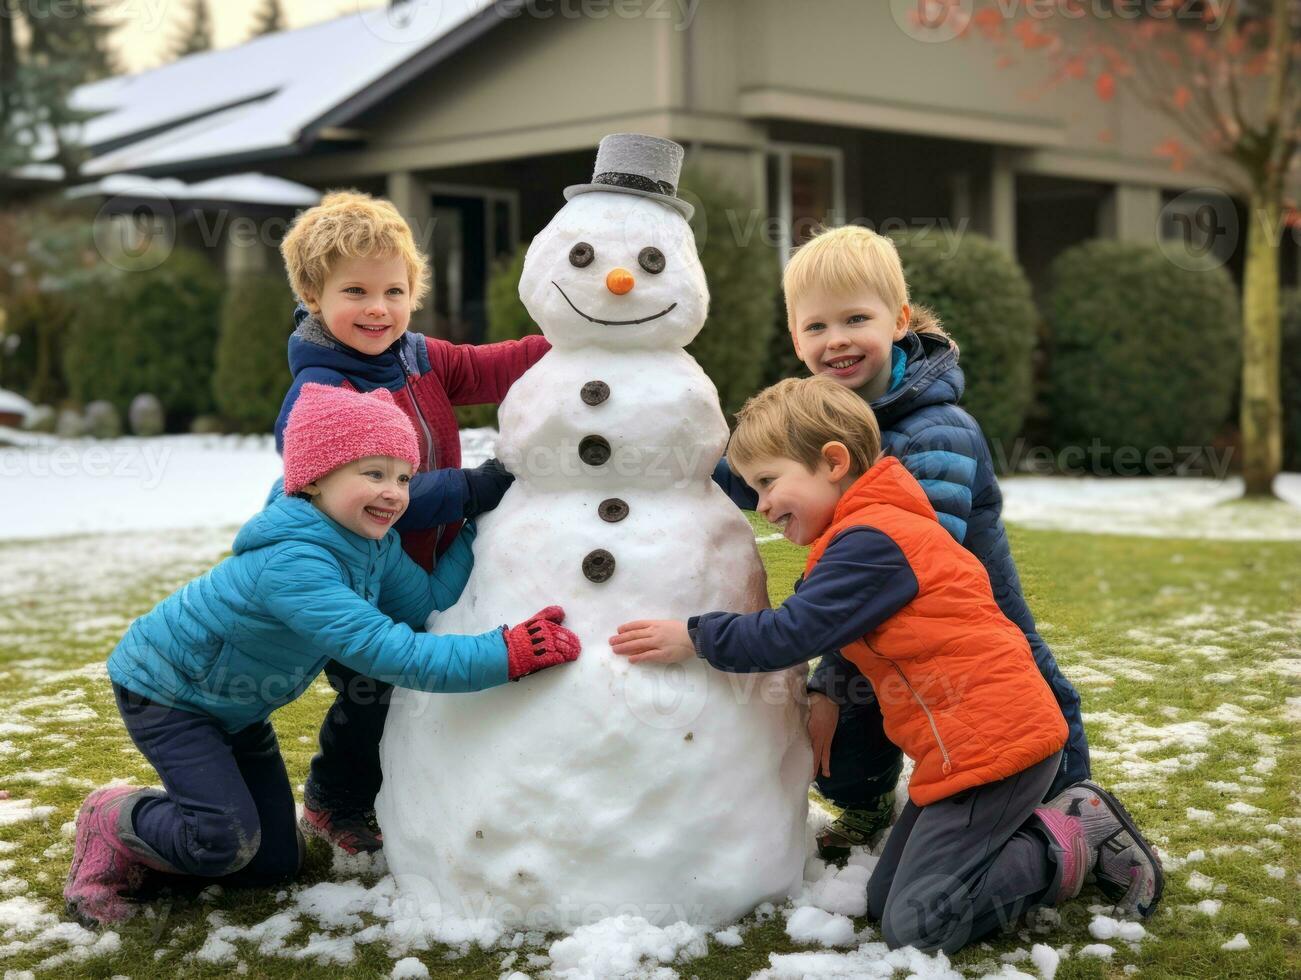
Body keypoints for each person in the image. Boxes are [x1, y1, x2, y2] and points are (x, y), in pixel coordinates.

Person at [613, 376, 1160, 955]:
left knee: (920, 926)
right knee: (882, 903)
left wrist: (694, 636)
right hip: (961, 751)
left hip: (996, 752)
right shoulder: (867, 530)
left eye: (769, 482)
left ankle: (1066, 840)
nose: (764, 504)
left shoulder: (873, 542)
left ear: (831, 462)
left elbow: (790, 634)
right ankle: (1018, 838)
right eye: (753, 488)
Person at [64, 384, 579, 928]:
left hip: (237, 711)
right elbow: (390, 651)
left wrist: (481, 530)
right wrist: (508, 652)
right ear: (313, 479)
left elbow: (427, 606)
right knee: (222, 842)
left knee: (271, 864)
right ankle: (112, 818)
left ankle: (175, 835)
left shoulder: (371, 546)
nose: (395, 493)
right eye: (373, 474)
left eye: (403, 477)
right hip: (169, 695)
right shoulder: (295, 563)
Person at [713, 225, 1089, 857]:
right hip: (877, 626)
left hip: (965, 626)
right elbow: (758, 476)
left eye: (856, 318)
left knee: (1025, 707)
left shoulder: (935, 433)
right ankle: (865, 807)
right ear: (796, 337)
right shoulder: (823, 419)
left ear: (899, 320)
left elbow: (887, 575)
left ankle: (1075, 816)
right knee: (855, 710)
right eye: (815, 327)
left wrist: (828, 679)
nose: (836, 341)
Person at [276, 190, 551, 852]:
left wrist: (575, 337)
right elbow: (369, 492)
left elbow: (492, 367)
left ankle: (414, 791)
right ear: (314, 295)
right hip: (360, 573)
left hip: (429, 564)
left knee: (420, 689)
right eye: (355, 292)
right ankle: (333, 800)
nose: (378, 308)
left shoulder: (417, 356)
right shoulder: (322, 394)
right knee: (370, 690)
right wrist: (473, 486)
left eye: (393, 291)